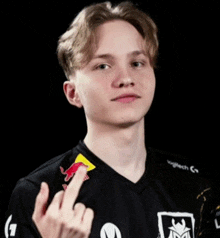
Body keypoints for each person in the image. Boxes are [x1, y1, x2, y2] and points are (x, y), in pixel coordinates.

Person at [4, 1, 219, 238]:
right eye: (103, 66)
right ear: (72, 93)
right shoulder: (40, 196)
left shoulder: (198, 186)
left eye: (137, 63)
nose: (126, 78)